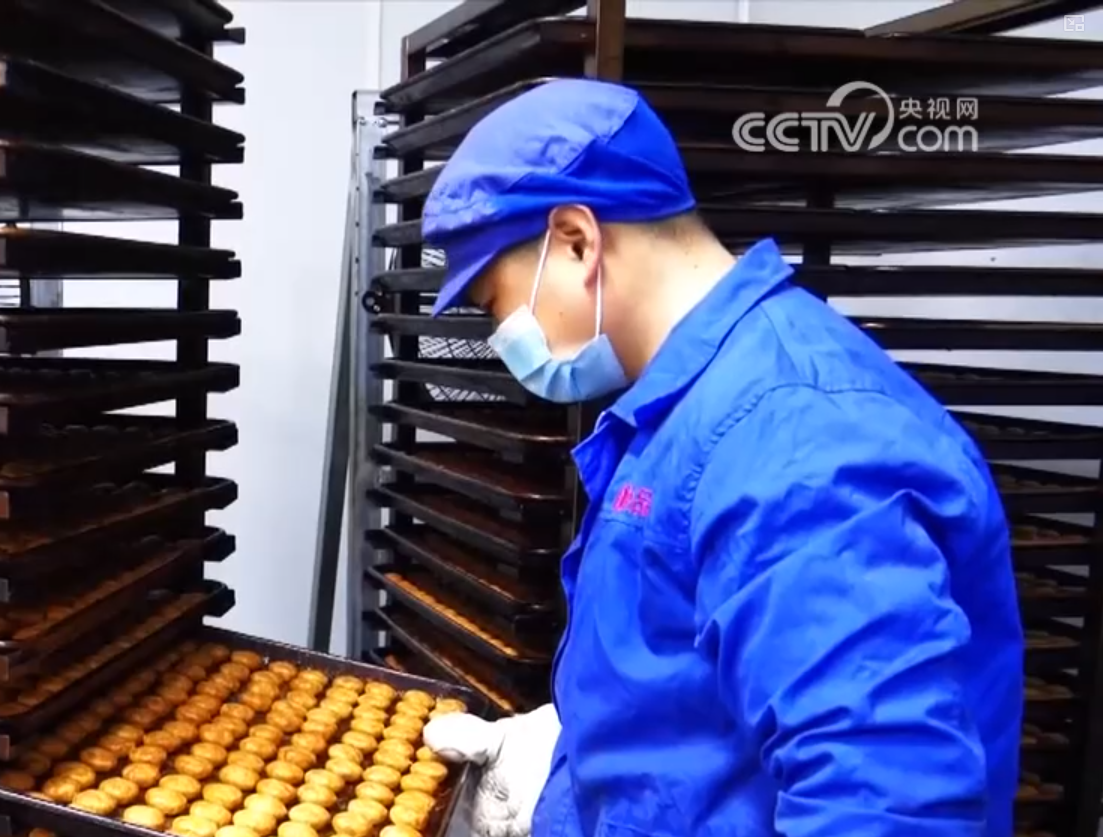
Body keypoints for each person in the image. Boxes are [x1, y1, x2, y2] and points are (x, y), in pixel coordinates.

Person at [412, 79, 1022, 837]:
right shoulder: (687, 403)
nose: (500, 334)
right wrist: (572, 761)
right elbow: (691, 670)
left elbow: (886, 808)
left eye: (493, 304)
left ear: (575, 240)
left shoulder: (797, 436)